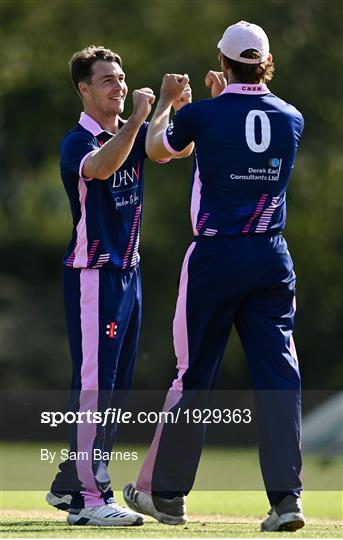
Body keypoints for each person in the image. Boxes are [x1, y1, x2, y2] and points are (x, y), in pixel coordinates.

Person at [123, 21, 306, 532]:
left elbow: (159, 150)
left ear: (223, 63)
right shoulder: (293, 117)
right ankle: (286, 501)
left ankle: (168, 495)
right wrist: (216, 105)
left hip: (217, 256)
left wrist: (169, 104)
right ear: (265, 63)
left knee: (195, 374)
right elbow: (245, 131)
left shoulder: (204, 113)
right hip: (272, 257)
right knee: (279, 377)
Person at [45, 45, 192, 527]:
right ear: (84, 89)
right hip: (94, 274)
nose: (119, 86)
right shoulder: (78, 142)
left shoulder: (124, 133)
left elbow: (173, 149)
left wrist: (177, 105)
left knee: (116, 386)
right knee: (95, 386)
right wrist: (141, 116)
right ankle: (89, 500)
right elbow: (104, 166)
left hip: (128, 273)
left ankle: (72, 481)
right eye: (107, 80)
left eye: (121, 77)